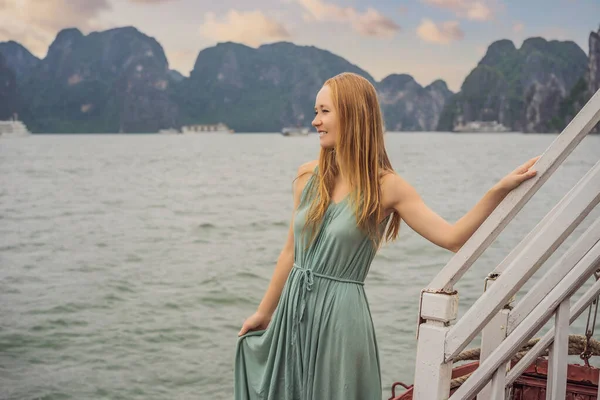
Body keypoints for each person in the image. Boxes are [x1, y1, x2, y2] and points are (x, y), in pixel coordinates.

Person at [233, 72, 539, 400]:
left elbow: (453, 238)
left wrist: (497, 191)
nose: (314, 121)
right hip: (294, 310)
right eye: (315, 111)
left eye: (324, 111)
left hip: (341, 317)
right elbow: (290, 253)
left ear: (352, 115)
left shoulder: (387, 187)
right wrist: (265, 313)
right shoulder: (308, 176)